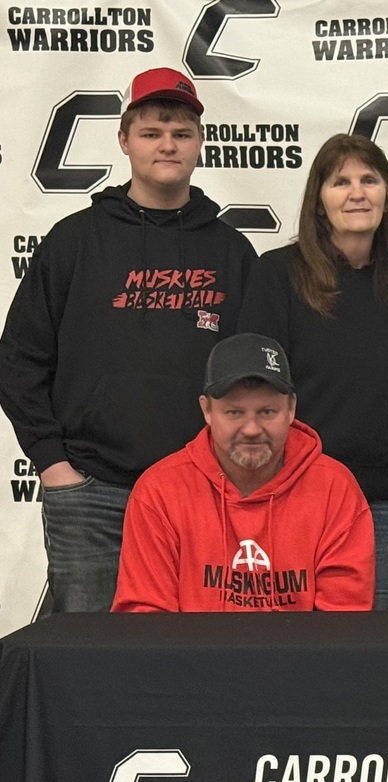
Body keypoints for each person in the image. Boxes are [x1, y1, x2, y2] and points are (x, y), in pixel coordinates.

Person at [0, 67, 256, 612]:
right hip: (92, 491)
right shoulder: (74, 241)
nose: (168, 144)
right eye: (152, 132)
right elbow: (19, 359)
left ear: (200, 143)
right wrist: (53, 465)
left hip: (202, 491)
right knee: (88, 655)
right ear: (124, 140)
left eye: (182, 133)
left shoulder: (232, 252)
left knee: (195, 655)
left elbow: (258, 378)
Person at [238, 134, 388, 611]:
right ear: (319, 202)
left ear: (387, 195)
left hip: (386, 503)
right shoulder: (277, 275)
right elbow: (257, 392)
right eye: (340, 181)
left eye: (369, 179)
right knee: (293, 649)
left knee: (372, 657)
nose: (357, 192)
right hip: (299, 498)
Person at [111, 333, 375, 612]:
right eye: (234, 413)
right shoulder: (159, 492)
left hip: (301, 657)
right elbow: (145, 625)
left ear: (291, 409)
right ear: (207, 410)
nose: (251, 430)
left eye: (267, 412)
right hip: (192, 657)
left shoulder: (336, 489)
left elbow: (343, 626)